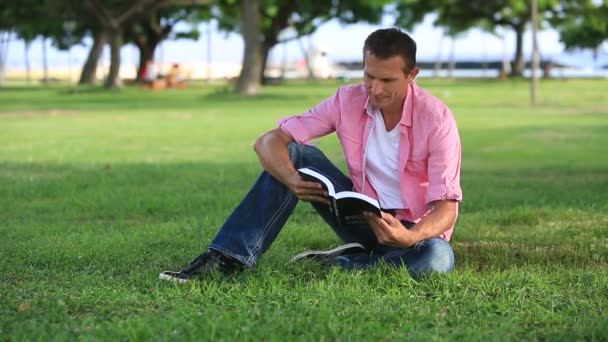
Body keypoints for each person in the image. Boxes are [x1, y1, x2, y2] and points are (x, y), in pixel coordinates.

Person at [160, 28, 462, 283]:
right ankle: (227, 257)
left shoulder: (436, 119)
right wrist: (291, 179)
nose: (376, 89)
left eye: (388, 81)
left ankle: (346, 263)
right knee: (292, 154)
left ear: (412, 75)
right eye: (370, 77)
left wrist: (409, 238)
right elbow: (268, 141)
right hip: (364, 217)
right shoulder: (347, 100)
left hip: (415, 233)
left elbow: (446, 209)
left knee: (436, 259)